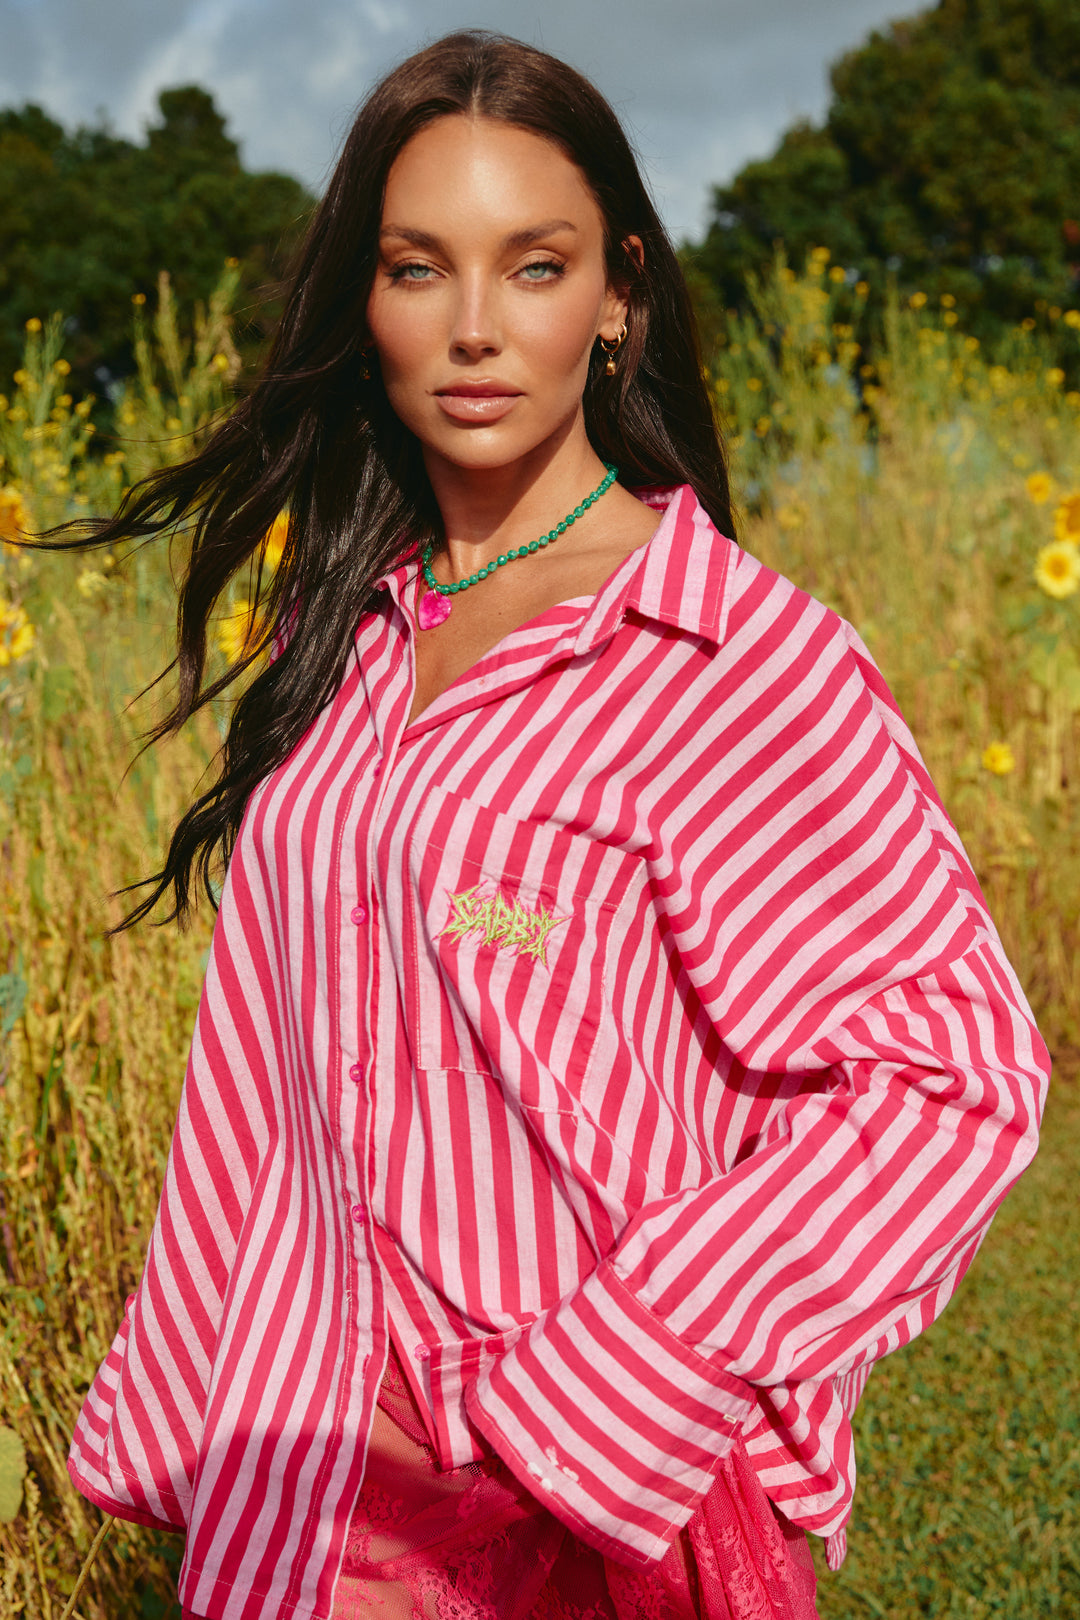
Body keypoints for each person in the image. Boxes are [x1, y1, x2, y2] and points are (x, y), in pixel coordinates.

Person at [64, 30, 1049, 1620]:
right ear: (361, 303)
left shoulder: (723, 656)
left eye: (533, 266)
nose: (471, 327)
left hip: (586, 1525)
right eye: (414, 267)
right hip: (308, 1487)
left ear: (620, 296)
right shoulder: (344, 649)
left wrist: (591, 1393)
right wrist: (194, 1417)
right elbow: (257, 1088)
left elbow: (952, 1080)